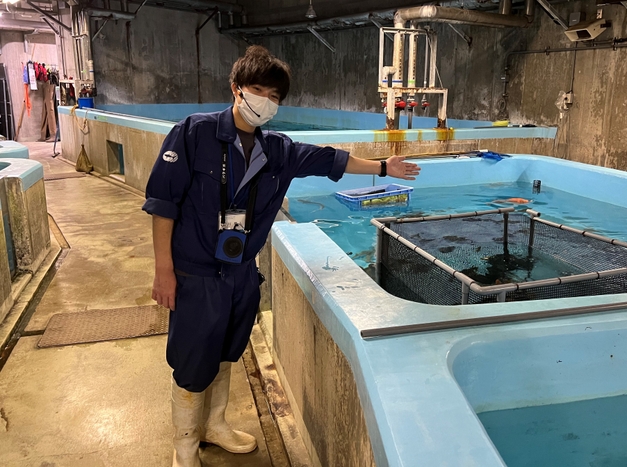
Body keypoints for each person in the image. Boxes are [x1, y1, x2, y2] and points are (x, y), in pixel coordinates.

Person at [142, 45, 420, 467]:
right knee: (191, 358)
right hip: (196, 273)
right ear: (236, 89)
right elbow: (163, 203)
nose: (266, 103)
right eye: (258, 91)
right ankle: (184, 446)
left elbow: (331, 159)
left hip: (240, 274)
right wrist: (164, 272)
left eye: (275, 97)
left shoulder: (279, 150)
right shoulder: (193, 133)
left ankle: (214, 425)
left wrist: (384, 168)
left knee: (224, 351)